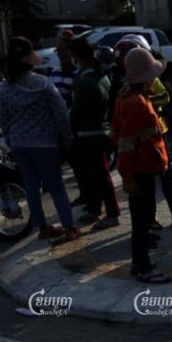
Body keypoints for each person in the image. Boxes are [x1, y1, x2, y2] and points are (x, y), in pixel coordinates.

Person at [0, 36, 79, 242]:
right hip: (45, 143)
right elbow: (60, 113)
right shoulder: (43, 84)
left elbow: (3, 119)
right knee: (56, 186)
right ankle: (69, 227)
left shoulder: (5, 88)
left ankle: (42, 227)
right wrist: (66, 138)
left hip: (19, 144)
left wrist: (10, 140)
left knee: (31, 187)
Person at [112, 35, 172, 229]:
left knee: (163, 180)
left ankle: (170, 216)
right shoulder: (130, 96)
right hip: (141, 152)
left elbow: (163, 97)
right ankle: (149, 225)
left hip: (155, 137)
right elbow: (125, 139)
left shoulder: (139, 89)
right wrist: (127, 176)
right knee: (143, 197)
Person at [112, 47, 172, 284]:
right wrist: (127, 178)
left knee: (142, 220)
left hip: (143, 167)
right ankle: (143, 266)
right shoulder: (136, 103)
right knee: (141, 220)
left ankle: (139, 262)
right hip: (140, 169)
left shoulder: (127, 97)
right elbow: (126, 143)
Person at [68, 36, 120, 230]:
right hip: (102, 131)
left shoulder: (85, 82)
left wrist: (69, 127)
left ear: (77, 57)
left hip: (90, 134)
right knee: (95, 174)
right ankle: (94, 208)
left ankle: (112, 212)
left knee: (99, 174)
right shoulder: (100, 76)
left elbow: (77, 111)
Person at [49, 37, 77, 108]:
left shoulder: (77, 74)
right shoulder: (54, 72)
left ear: (71, 51)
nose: (61, 53)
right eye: (58, 50)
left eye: (64, 49)